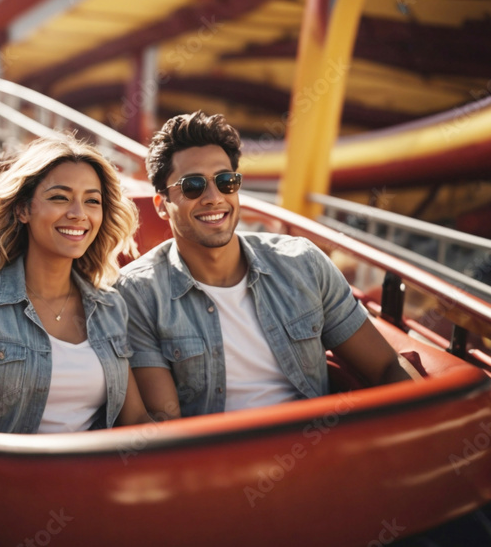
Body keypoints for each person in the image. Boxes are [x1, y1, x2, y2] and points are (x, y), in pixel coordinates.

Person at [117, 111, 419, 419]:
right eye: (193, 186)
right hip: (217, 459)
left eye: (225, 182)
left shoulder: (303, 263)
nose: (213, 197)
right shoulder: (139, 295)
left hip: (321, 448)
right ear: (162, 205)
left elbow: (386, 366)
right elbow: (166, 422)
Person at [0, 136, 150, 432]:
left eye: (92, 201)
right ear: (22, 210)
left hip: (99, 474)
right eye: (60, 197)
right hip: (5, 476)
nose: (78, 214)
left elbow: (134, 421)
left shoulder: (111, 306)